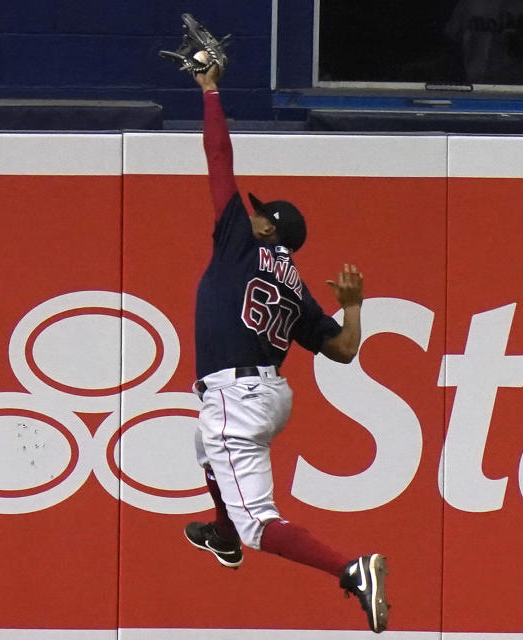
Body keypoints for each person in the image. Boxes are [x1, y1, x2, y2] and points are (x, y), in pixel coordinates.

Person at [182, 58, 390, 634]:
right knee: (206, 449)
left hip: (238, 392)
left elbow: (218, 159)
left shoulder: (239, 244)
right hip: (267, 393)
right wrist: (353, 304)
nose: (249, 216)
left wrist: (212, 91)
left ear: (271, 228)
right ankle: (223, 531)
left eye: (259, 216)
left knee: (259, 524)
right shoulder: (296, 287)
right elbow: (344, 350)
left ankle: (351, 570)